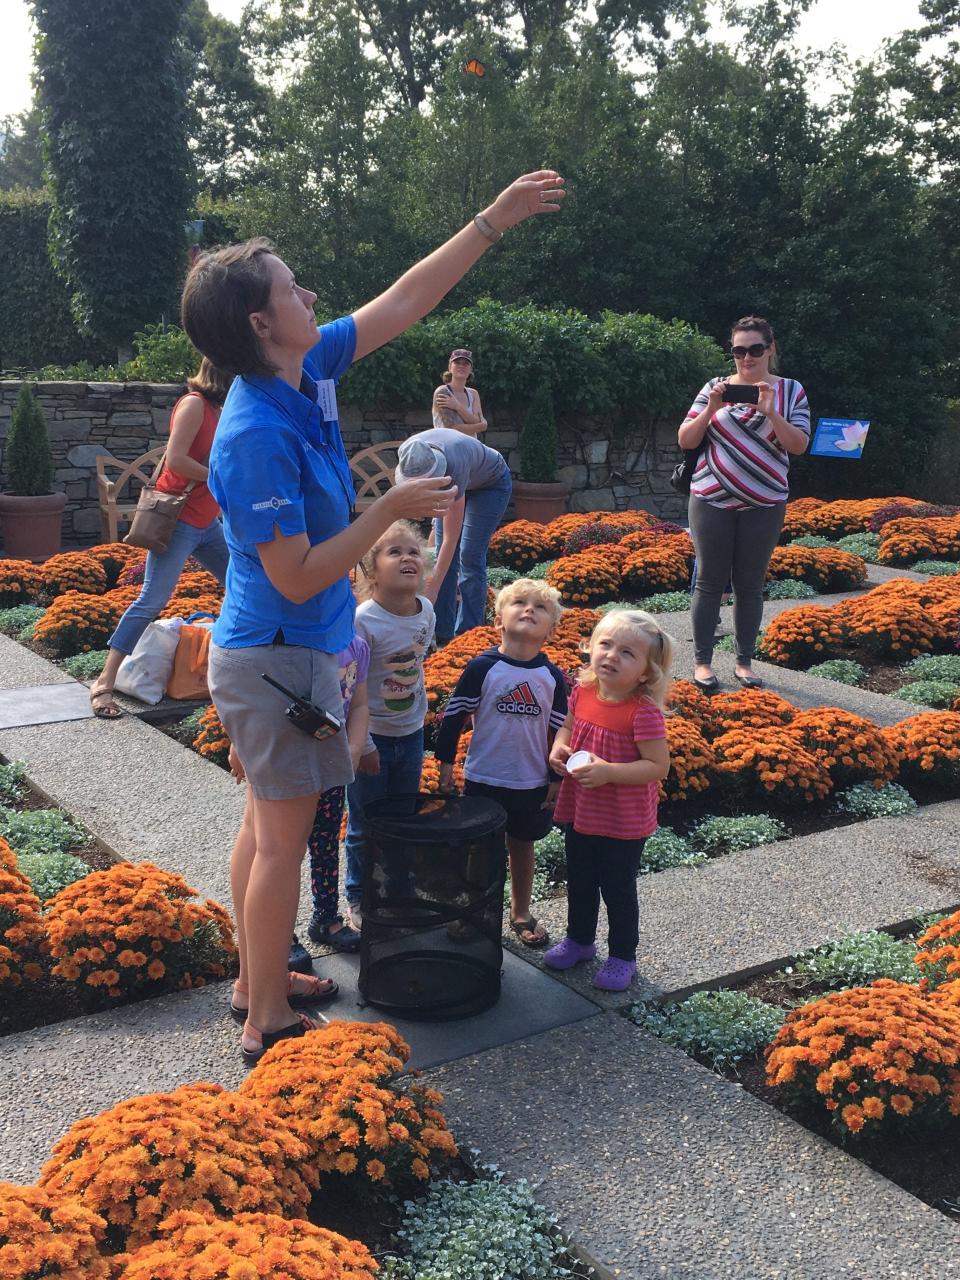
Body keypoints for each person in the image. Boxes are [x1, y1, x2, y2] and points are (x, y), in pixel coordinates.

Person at [179, 166, 565, 1066]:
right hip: (276, 658)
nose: (310, 292)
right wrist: (390, 511)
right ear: (258, 322)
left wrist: (492, 217)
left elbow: (406, 300)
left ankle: (256, 975)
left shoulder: (304, 363)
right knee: (279, 842)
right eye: (290, 286)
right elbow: (304, 573)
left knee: (260, 828)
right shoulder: (253, 433)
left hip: (290, 654)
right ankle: (265, 1017)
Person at [88, 358, 232, 719]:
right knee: (151, 600)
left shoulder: (219, 408)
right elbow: (177, 460)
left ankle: (230, 670)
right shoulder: (195, 404)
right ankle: (104, 681)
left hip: (207, 523)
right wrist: (221, 479)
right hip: (179, 521)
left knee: (245, 587)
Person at [678, 315, 810, 693]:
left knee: (750, 585)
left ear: (770, 349)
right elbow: (687, 439)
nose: (746, 358)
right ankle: (703, 663)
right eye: (739, 350)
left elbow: (798, 445)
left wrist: (771, 412)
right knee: (708, 582)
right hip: (710, 499)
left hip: (764, 502)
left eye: (754, 350)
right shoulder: (714, 387)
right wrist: (711, 408)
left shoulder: (791, 391)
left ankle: (744, 663)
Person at [545, 609, 673, 992]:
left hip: (623, 818)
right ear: (590, 648)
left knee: (617, 888)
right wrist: (560, 748)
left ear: (647, 672)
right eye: (605, 644)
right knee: (580, 878)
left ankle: (622, 956)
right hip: (583, 808)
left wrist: (609, 772)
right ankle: (580, 941)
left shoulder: (643, 712)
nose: (612, 656)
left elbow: (657, 766)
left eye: (627, 653)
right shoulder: (582, 691)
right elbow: (567, 727)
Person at [435, 578, 568, 948]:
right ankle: (472, 908)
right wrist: (446, 762)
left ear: (551, 631)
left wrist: (557, 779)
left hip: (530, 781)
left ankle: (521, 911)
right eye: (519, 603)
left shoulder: (552, 677)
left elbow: (561, 733)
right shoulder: (483, 668)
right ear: (498, 620)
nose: (529, 609)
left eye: (540, 607)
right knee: (479, 849)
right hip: (484, 777)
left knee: (522, 846)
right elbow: (454, 716)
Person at [227, 629, 370, 965]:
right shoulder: (288, 641)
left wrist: (354, 748)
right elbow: (248, 697)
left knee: (324, 845)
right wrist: (238, 744)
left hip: (330, 765)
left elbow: (361, 702)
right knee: (279, 853)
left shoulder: (356, 645)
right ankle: (280, 933)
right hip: (285, 764)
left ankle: (325, 918)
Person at [343, 521, 434, 929]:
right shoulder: (365, 619)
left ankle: (399, 889)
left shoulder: (426, 611)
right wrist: (362, 746)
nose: (407, 558)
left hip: (410, 732)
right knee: (365, 821)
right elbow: (349, 689)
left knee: (402, 816)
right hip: (372, 737)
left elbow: (416, 665)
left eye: (413, 551)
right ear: (372, 570)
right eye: (393, 552)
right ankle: (359, 894)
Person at [395, 429, 512, 642]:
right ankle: (439, 632)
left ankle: (469, 636)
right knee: (442, 557)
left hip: (490, 484)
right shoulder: (408, 452)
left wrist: (431, 591)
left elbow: (451, 538)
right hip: (467, 476)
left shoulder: (453, 467)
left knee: (468, 555)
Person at [431, 348, 487, 435]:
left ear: (471, 369)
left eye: (466, 363)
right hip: (446, 446)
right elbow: (450, 429)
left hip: (471, 446)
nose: (461, 366)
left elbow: (477, 420)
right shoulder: (442, 392)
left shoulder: (473, 394)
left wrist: (457, 406)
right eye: (457, 363)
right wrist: (481, 426)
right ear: (450, 367)